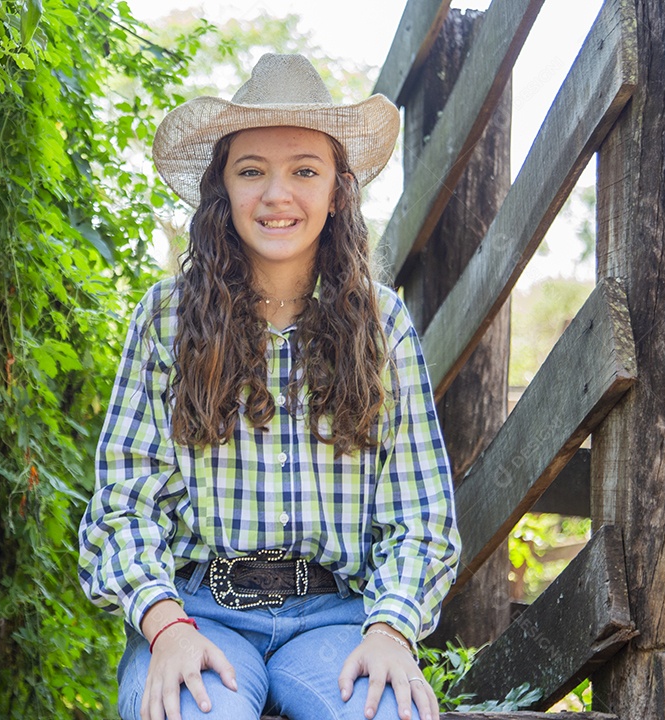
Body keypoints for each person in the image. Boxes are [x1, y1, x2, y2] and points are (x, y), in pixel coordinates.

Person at [77, 53, 461, 720]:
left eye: (304, 171)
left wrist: (392, 629)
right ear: (222, 189)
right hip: (199, 614)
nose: (277, 195)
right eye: (251, 171)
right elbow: (123, 506)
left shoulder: (383, 324)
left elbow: (421, 517)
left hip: (340, 623)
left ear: (338, 189)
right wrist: (166, 628)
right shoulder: (167, 319)